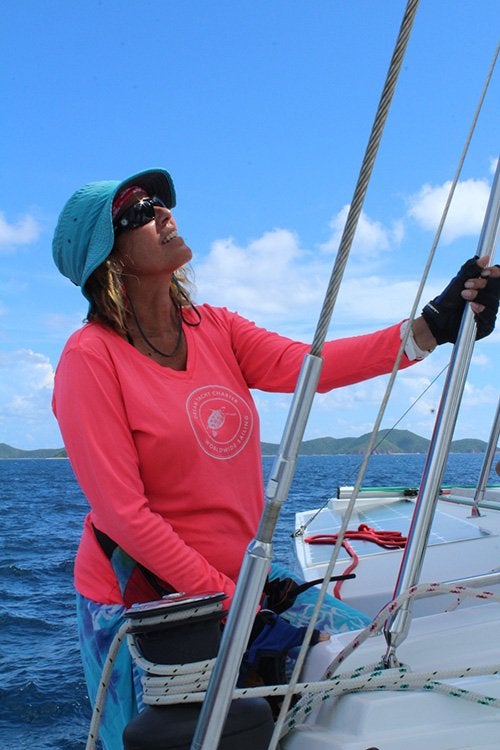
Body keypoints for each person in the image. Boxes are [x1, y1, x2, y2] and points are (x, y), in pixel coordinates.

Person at [51, 167, 500, 749]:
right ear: (104, 255)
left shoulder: (212, 326)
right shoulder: (90, 360)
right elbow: (123, 516)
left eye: (161, 202)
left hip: (240, 583)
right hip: (150, 608)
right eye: (140, 211)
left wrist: (433, 327)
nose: (164, 213)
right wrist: (232, 603)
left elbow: (311, 366)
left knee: (378, 655)